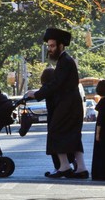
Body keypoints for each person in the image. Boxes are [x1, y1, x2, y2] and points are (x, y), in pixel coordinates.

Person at [25, 27, 88, 179]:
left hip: (68, 104)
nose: (50, 49)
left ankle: (65, 166)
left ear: (61, 46)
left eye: (52, 46)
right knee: (73, 135)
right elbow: (54, 82)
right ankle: (81, 168)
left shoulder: (65, 61)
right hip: (71, 103)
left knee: (55, 131)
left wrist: (36, 94)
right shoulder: (64, 61)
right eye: (48, 46)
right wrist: (38, 92)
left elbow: (56, 83)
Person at [39, 67, 76, 177]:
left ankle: (59, 167)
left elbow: (40, 95)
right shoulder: (60, 87)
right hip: (65, 117)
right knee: (66, 141)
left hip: (53, 118)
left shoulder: (47, 88)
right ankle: (73, 163)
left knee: (54, 141)